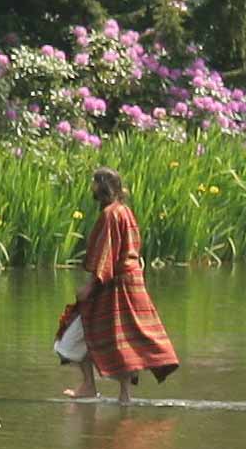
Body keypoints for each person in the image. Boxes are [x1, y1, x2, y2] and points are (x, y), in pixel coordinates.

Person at [61, 167, 180, 403]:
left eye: (94, 183)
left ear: (103, 186)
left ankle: (88, 385)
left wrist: (89, 286)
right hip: (131, 282)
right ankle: (124, 396)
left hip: (115, 285)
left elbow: (107, 254)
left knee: (72, 336)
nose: (91, 188)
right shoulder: (126, 211)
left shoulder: (110, 214)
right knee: (121, 339)